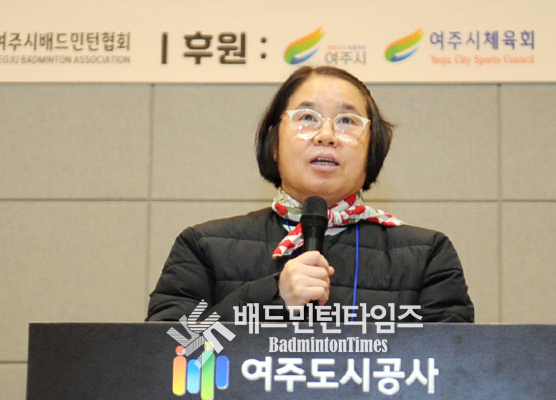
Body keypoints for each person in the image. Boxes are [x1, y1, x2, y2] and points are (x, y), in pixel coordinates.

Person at [146, 66, 474, 323]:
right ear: (274, 144)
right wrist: (271, 299)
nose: (326, 135)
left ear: (373, 149)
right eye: (307, 118)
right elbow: (166, 356)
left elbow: (455, 368)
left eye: (347, 121)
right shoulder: (203, 246)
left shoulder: (426, 255)